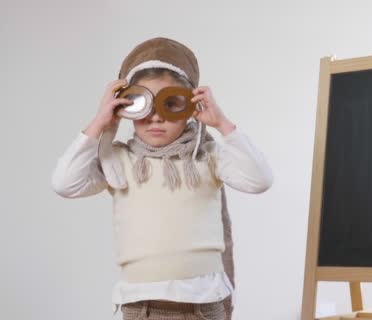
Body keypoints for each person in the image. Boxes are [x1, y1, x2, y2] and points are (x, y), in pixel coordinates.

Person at [51, 37, 273, 320]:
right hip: (141, 307)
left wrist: (222, 124)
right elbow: (65, 183)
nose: (156, 118)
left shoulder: (207, 156)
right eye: (140, 104)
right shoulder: (118, 160)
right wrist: (99, 123)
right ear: (124, 108)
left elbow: (259, 179)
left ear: (192, 107)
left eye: (171, 103)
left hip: (204, 305)